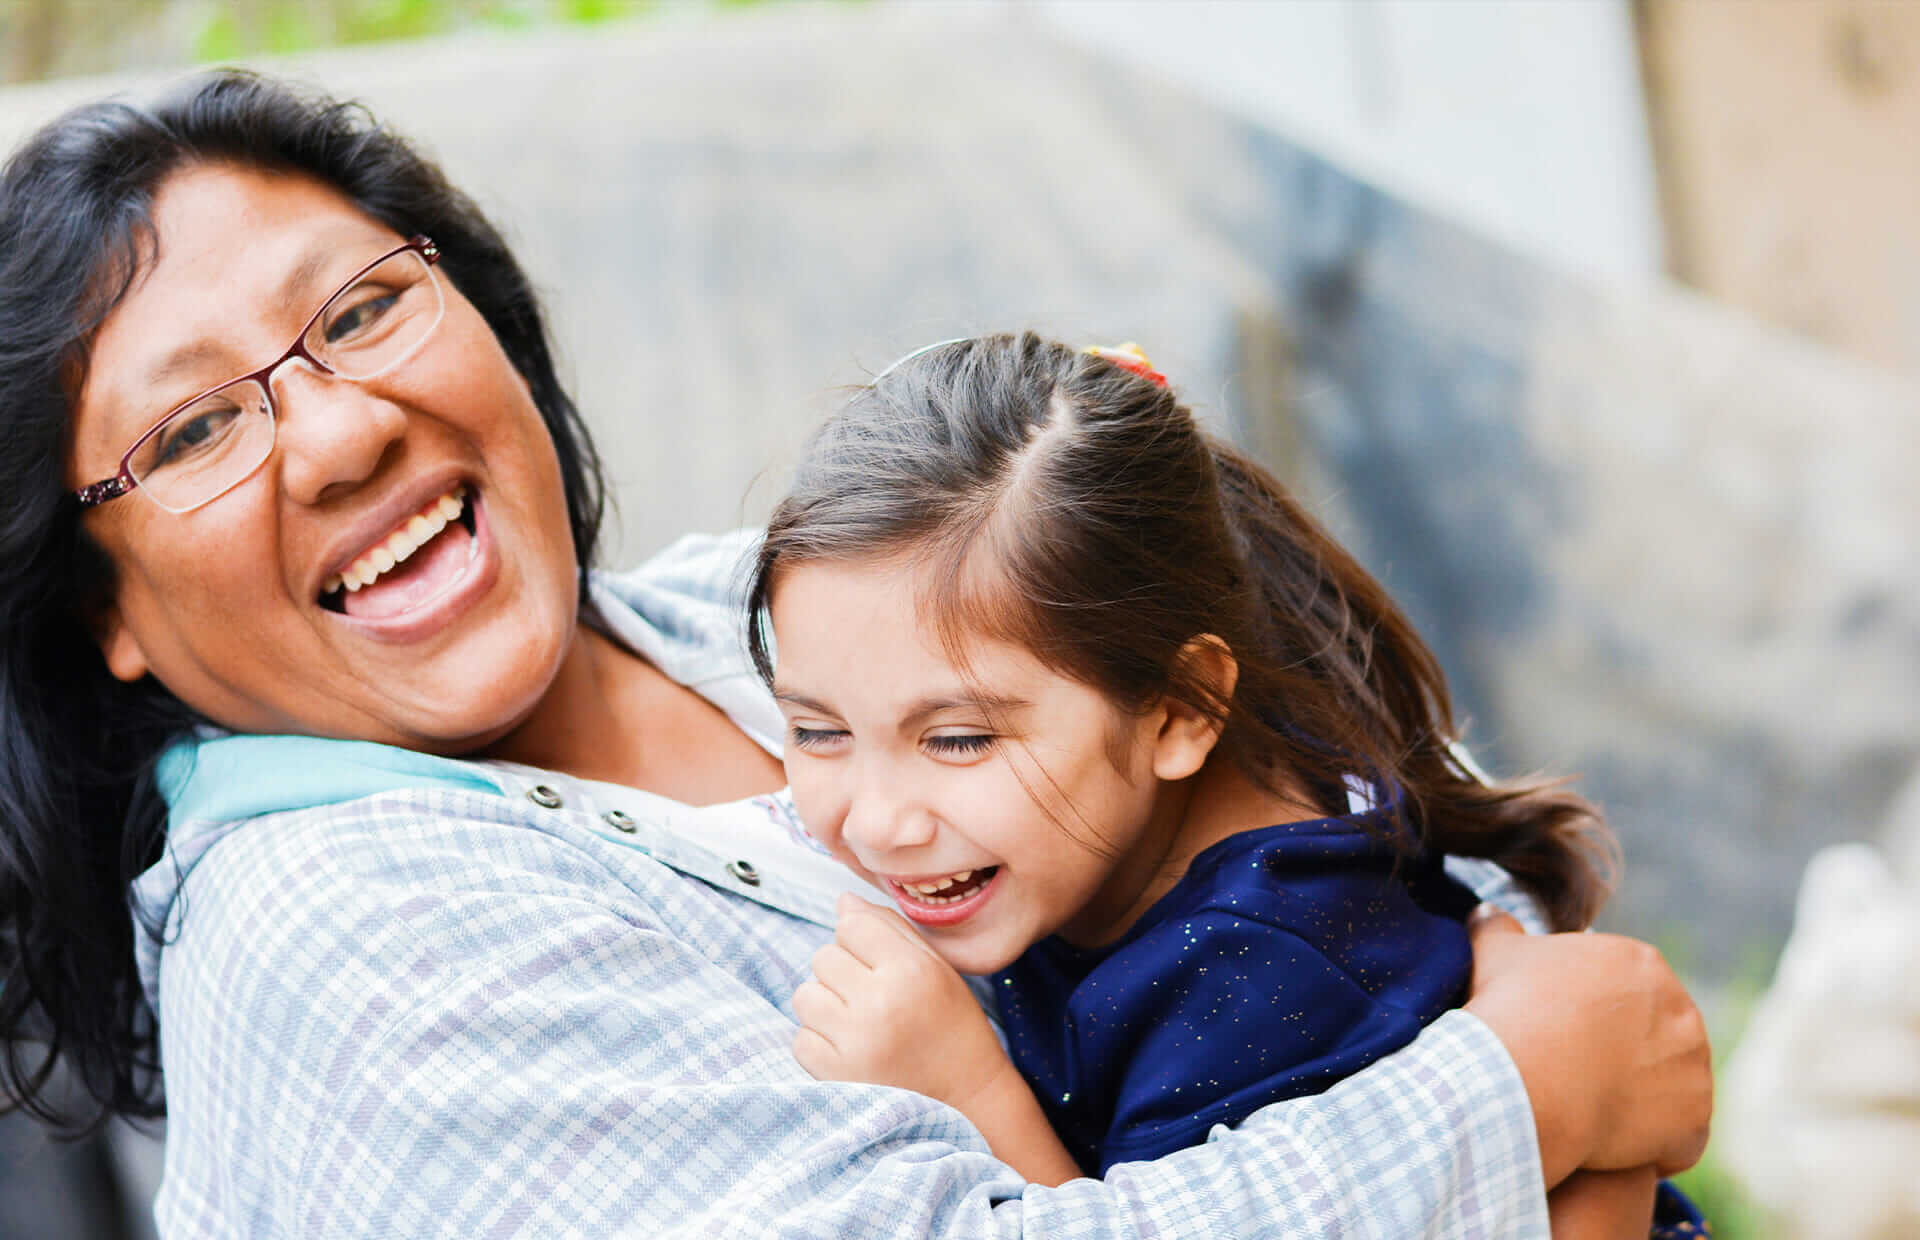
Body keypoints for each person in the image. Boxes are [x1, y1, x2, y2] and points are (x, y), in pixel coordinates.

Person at [0, 70, 1710, 1237]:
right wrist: (1522, 1097)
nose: (339, 433)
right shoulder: (346, 951)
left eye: (360, 309)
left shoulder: (747, 606)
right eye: (199, 428)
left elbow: (1382, 810)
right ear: (107, 612)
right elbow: (1568, 1024)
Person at [745, 334, 1708, 1238]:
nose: (876, 820)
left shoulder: (1250, 974)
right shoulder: (1166, 815)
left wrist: (968, 1086)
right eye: (817, 730)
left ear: (1179, 711)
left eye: (956, 740)